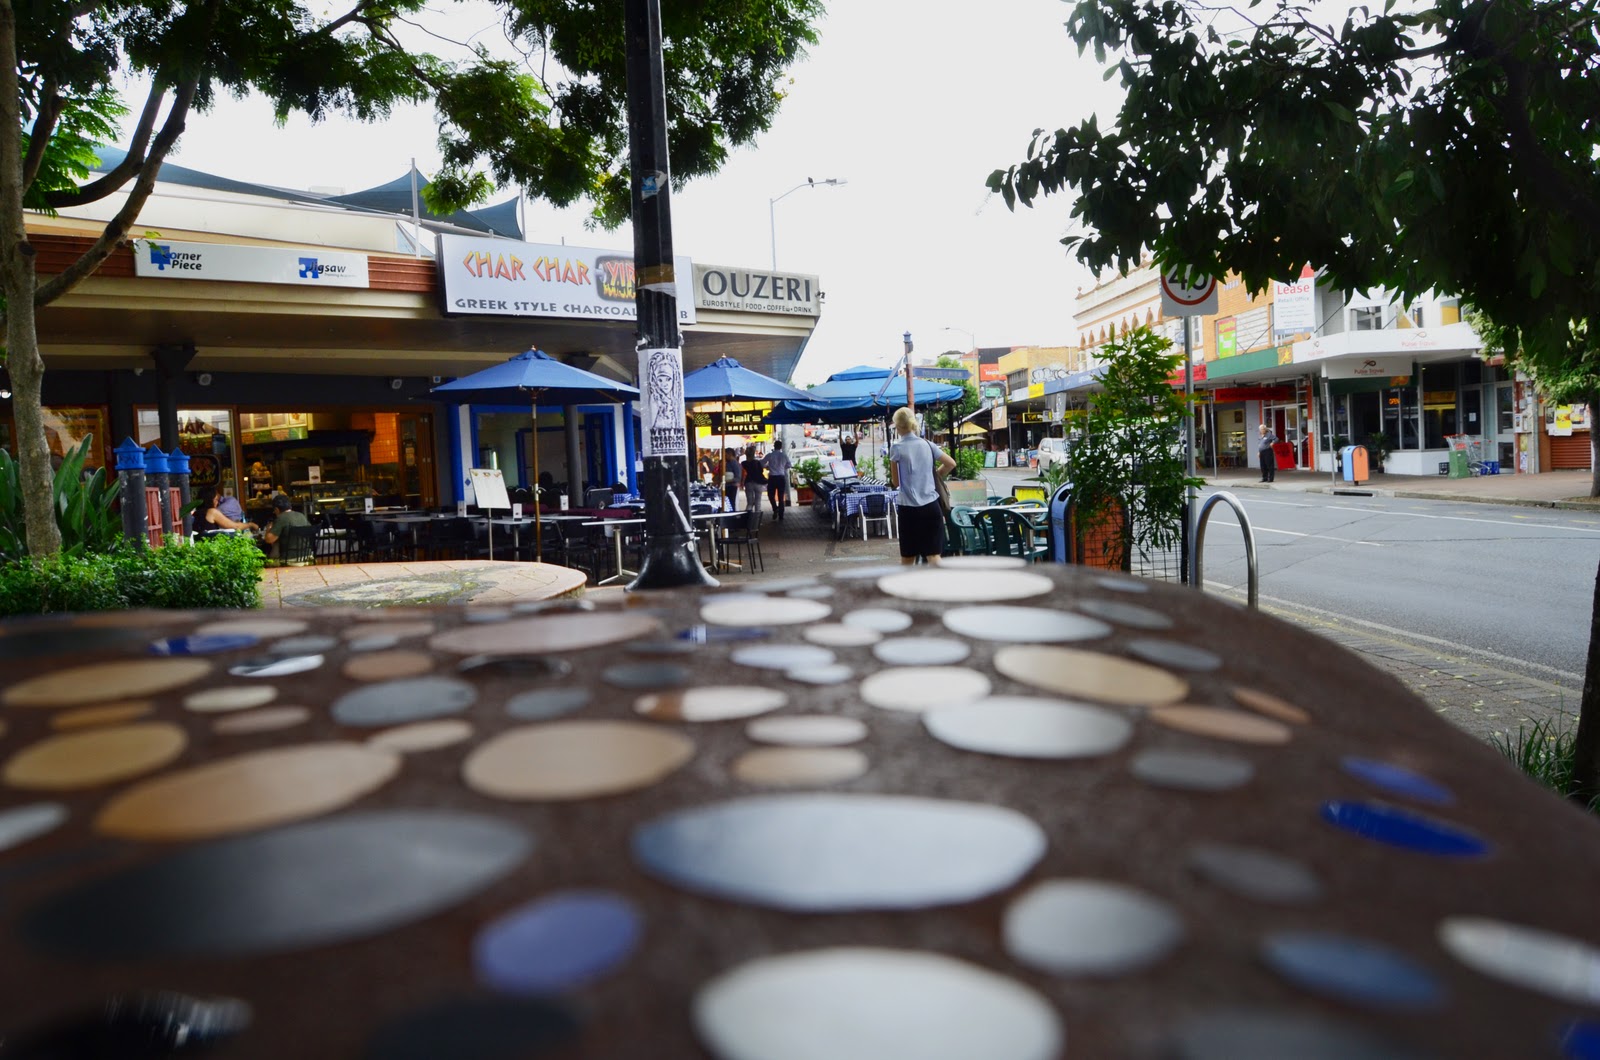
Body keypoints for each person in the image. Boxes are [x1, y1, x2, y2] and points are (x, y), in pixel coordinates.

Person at [888, 406, 956, 566]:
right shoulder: (928, 444)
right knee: (934, 557)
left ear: (897, 426)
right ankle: (938, 589)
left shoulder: (896, 448)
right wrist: (935, 475)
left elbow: (896, 482)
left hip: (908, 509)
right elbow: (951, 463)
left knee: (908, 558)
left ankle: (906, 590)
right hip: (931, 507)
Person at [261, 493, 310, 560]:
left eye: (274, 511)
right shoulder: (301, 516)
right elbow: (310, 531)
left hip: (289, 558)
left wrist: (268, 528)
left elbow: (269, 540)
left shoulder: (281, 518)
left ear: (277, 509)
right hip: (307, 556)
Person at [763, 441, 792, 522]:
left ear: (774, 446)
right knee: (780, 496)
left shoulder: (770, 455)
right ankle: (781, 515)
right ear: (781, 447)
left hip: (772, 478)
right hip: (781, 477)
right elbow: (789, 465)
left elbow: (762, 463)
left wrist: (767, 466)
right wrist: (783, 468)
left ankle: (775, 508)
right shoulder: (784, 455)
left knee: (770, 495)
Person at [739, 444, 768, 514]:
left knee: (749, 502)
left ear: (746, 454)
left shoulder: (743, 464)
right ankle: (757, 518)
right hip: (758, 483)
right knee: (758, 502)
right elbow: (761, 471)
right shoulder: (757, 463)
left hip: (748, 483)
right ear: (753, 454)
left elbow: (742, 473)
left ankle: (748, 518)